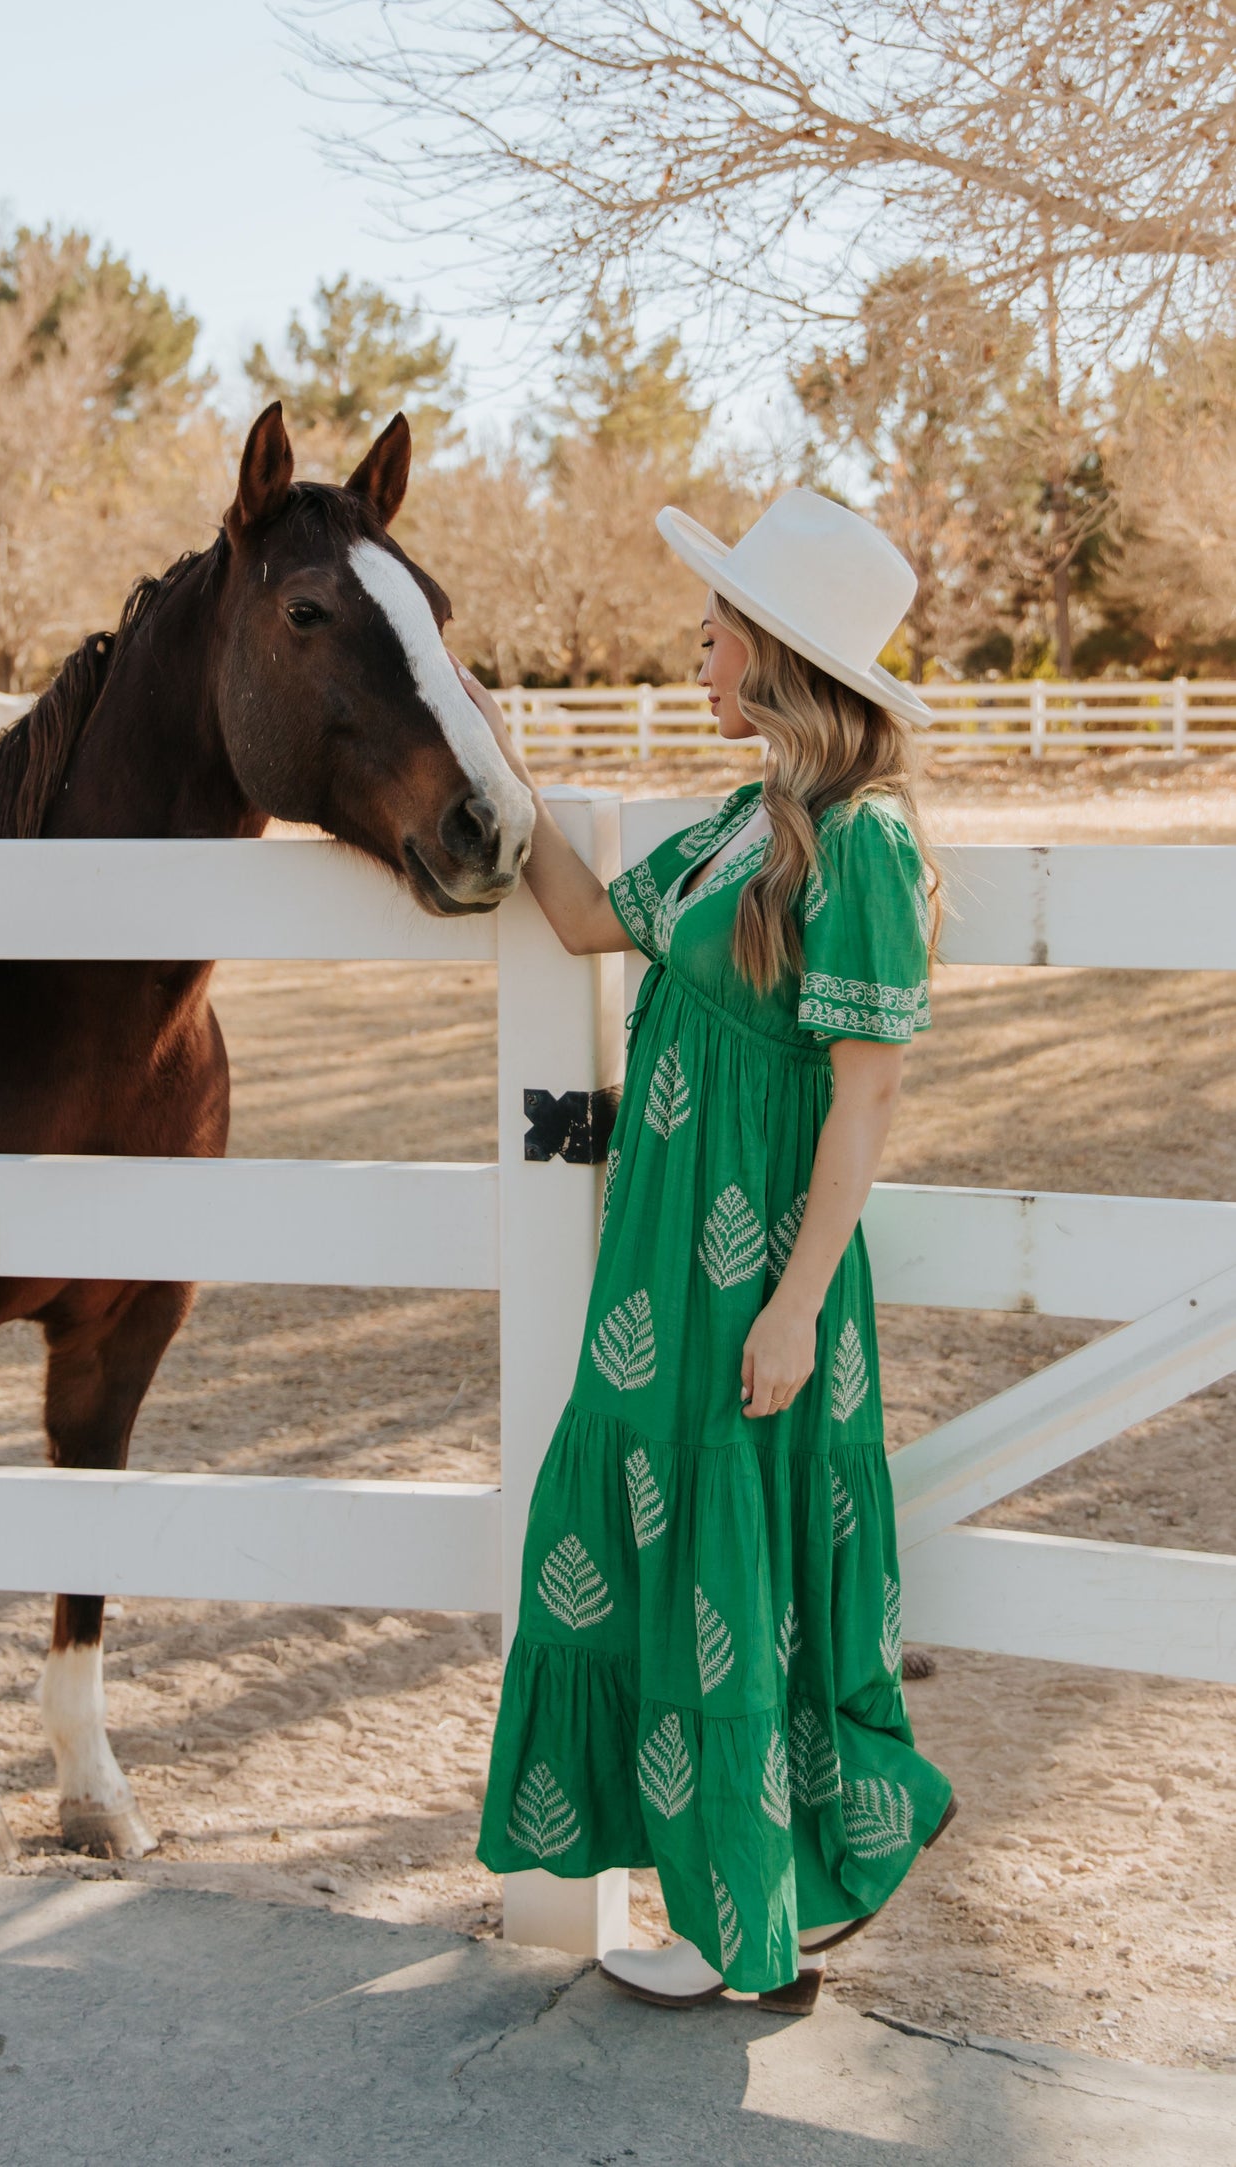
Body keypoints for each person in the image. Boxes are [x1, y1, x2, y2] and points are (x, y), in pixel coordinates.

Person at [458, 488, 957, 2012]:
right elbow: (575, 922)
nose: (696, 657)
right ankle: (721, 1895)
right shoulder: (737, 824)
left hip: (756, 1280)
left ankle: (756, 1916)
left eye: (715, 634)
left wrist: (795, 1307)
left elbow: (862, 1109)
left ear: (780, 661)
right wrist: (495, 762)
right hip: (656, 1270)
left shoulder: (856, 851)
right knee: (629, 1560)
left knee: (740, 1583)